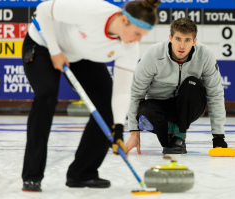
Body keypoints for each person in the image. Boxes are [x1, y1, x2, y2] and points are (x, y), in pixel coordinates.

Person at [21, 0, 160, 192]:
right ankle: (32, 175)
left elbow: (121, 91)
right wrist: (55, 51)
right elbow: (43, 10)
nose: (137, 40)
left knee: (107, 104)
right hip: (44, 44)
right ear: (124, 20)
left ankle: (82, 173)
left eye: (142, 36)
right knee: (46, 96)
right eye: (137, 33)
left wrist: (118, 129)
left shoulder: (129, 47)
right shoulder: (93, 11)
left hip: (79, 55)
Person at [125, 18, 227, 155]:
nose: (182, 46)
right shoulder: (154, 54)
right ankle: (171, 136)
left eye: (187, 40)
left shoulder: (205, 55)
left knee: (192, 83)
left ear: (194, 41)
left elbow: (215, 94)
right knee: (144, 116)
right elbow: (136, 93)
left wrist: (218, 136)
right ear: (170, 38)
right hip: (160, 104)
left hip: (189, 105)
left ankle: (179, 134)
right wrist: (134, 132)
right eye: (178, 39)